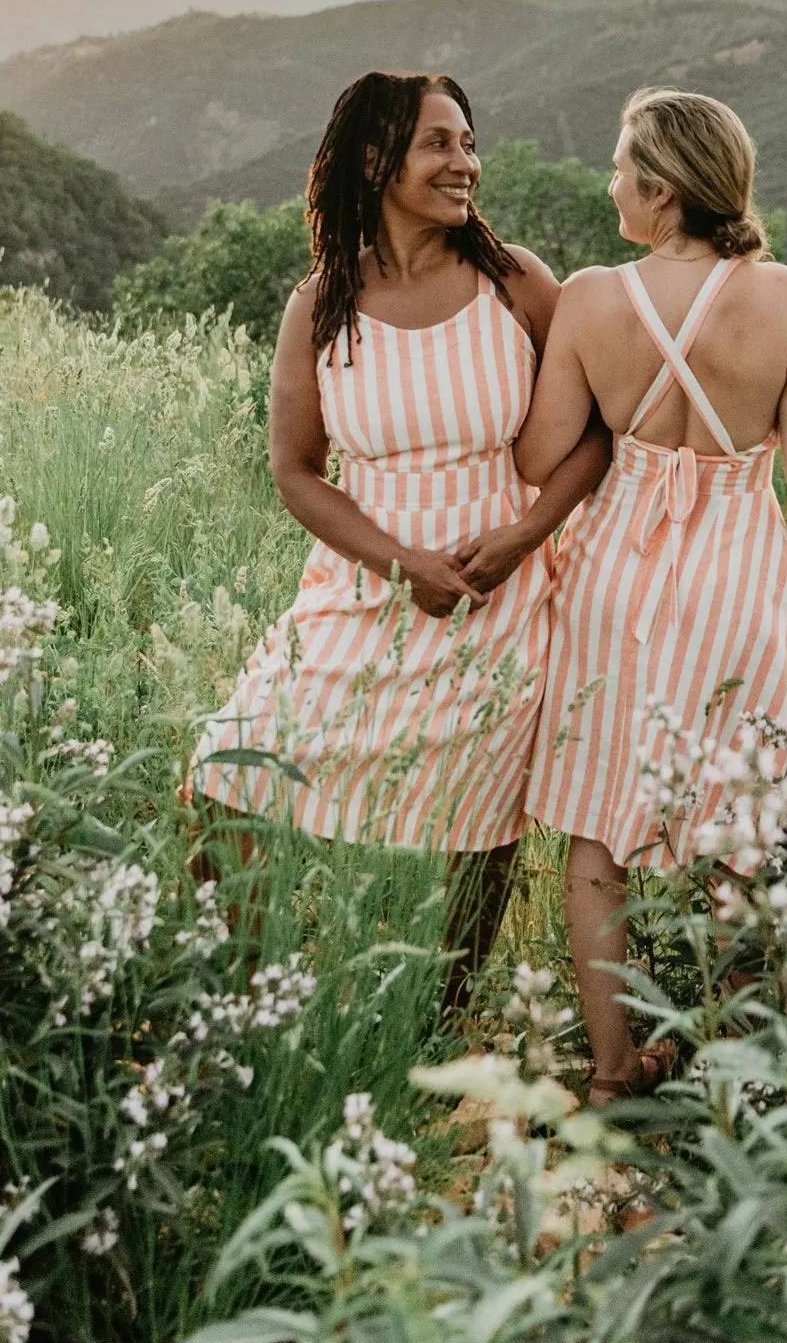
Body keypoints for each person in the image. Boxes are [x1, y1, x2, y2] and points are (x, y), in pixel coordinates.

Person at [190, 71, 610, 1007]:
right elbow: (298, 470)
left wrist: (524, 535)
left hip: (499, 586)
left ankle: (437, 1025)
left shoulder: (515, 283)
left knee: (476, 821)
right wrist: (398, 562)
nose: (466, 163)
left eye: (467, 142)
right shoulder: (322, 304)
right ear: (376, 160)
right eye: (440, 144)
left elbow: (596, 433)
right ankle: (246, 1004)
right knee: (227, 773)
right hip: (358, 587)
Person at [514, 87, 787, 1103]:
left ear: (661, 189)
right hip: (742, 580)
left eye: (620, 168)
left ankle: (613, 1070)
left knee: (599, 835)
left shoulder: (594, 297)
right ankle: (726, 1073)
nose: (610, 182)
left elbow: (537, 455)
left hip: (617, 579)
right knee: (738, 831)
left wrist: (623, 418)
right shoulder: (782, 295)